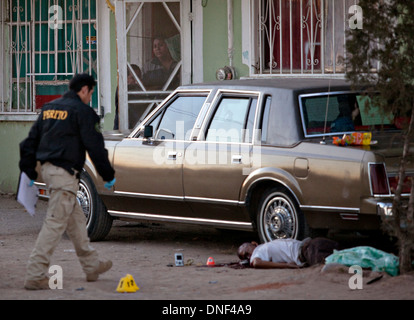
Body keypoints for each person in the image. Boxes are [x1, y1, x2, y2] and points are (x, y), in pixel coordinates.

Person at [19, 73, 116, 290]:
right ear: (84, 90)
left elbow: (29, 142)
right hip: (65, 175)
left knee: (77, 222)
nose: (90, 98)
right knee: (54, 224)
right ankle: (35, 274)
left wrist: (29, 172)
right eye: (91, 93)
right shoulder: (83, 112)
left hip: (50, 172)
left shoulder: (49, 109)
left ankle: (91, 266)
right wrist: (108, 176)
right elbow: (96, 148)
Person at [237, 238, 339, 269]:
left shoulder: (261, 248)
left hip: (310, 243)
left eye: (247, 251)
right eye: (245, 257)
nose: (248, 256)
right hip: (306, 253)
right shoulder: (256, 255)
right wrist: (287, 265)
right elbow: (256, 263)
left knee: (343, 250)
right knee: (341, 259)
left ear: (254, 243)